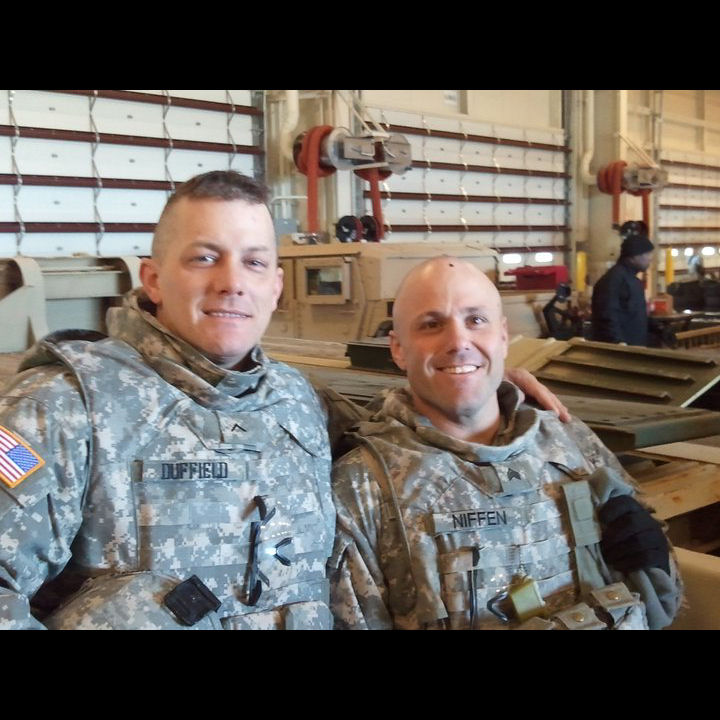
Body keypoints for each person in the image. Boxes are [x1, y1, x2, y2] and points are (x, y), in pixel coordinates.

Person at [0, 171, 565, 630]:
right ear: (153, 278)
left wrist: (486, 382)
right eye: (204, 258)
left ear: (274, 286)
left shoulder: (299, 404)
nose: (231, 282)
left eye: (253, 261)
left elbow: (406, 437)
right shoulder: (64, 406)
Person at [328, 257, 682, 630]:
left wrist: (657, 564)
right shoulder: (364, 487)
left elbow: (661, 601)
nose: (458, 341)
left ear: (501, 336)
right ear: (398, 349)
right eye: (432, 324)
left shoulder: (568, 441)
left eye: (475, 320)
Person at [591, 233, 654, 345]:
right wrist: (618, 342)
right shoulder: (614, 280)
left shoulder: (632, 280)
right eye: (647, 254)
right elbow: (607, 314)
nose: (650, 258)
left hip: (633, 347)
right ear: (634, 256)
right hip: (619, 350)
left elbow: (634, 316)